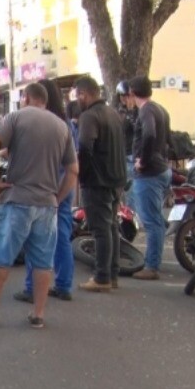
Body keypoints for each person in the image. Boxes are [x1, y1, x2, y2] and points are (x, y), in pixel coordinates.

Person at [0, 82, 77, 329]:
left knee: (1, 256)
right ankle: (38, 315)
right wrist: (58, 198)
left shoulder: (16, 117)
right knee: (42, 261)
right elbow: (73, 170)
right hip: (47, 204)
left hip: (17, 199)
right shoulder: (62, 126)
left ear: (27, 97)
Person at [13, 79, 77, 303]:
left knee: (36, 236)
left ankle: (32, 288)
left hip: (45, 183)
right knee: (62, 235)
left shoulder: (37, 123)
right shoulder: (66, 125)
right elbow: (73, 163)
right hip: (65, 183)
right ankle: (64, 285)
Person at [74, 76, 127, 293]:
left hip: (97, 181)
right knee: (111, 227)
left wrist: (82, 176)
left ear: (84, 94)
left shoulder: (89, 116)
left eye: (78, 96)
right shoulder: (113, 113)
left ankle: (102, 277)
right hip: (116, 179)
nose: (77, 100)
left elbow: (85, 147)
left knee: (101, 230)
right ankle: (112, 274)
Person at [129, 75, 172, 280]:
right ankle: (154, 261)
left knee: (151, 220)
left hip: (150, 173)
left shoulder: (145, 111)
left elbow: (149, 134)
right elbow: (168, 139)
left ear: (132, 93)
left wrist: (143, 161)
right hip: (162, 169)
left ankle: (152, 265)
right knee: (155, 218)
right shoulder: (161, 109)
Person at [115, 80, 138, 210]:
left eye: (128, 96)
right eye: (123, 96)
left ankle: (131, 213)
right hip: (119, 153)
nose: (125, 99)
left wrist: (130, 112)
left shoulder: (137, 111)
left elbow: (137, 129)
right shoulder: (117, 111)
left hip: (130, 154)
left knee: (131, 188)